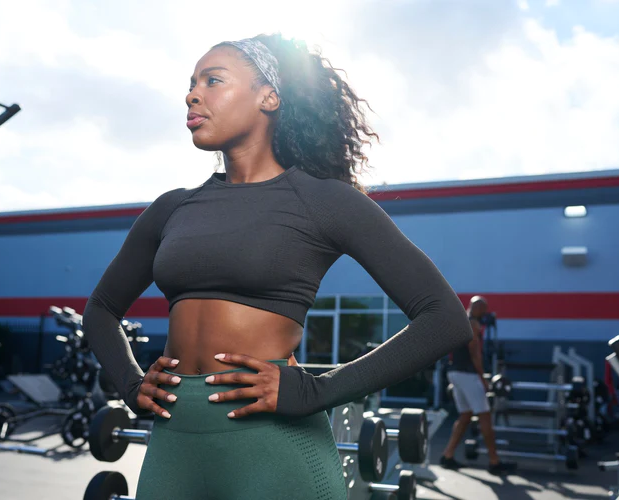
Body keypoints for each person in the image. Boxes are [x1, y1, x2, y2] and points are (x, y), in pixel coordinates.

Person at [82, 33, 473, 500]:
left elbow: (444, 319)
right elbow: (102, 308)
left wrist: (316, 391)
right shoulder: (171, 209)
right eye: (191, 83)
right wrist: (129, 383)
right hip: (175, 436)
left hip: (272, 443)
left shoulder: (325, 201)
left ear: (269, 96)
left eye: (213, 80)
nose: (191, 94)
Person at [440, 296, 516, 474]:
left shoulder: (461, 321)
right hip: (467, 374)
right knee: (485, 417)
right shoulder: (473, 324)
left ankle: (447, 455)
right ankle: (494, 461)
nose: (486, 313)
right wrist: (483, 378)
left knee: (465, 416)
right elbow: (475, 352)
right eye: (484, 309)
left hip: (454, 373)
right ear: (479, 309)